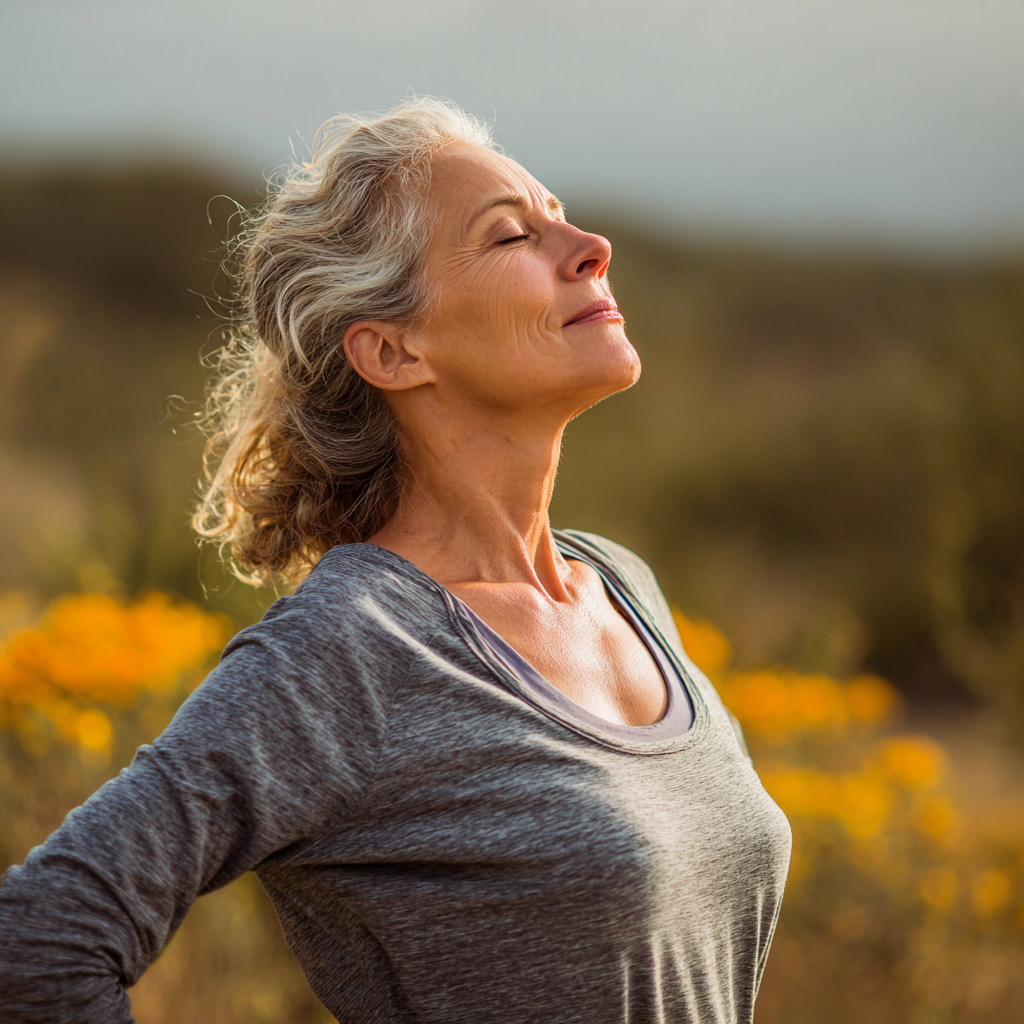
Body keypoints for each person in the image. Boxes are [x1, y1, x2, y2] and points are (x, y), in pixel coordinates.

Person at [0, 97, 791, 1024]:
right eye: (510, 237)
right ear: (392, 349)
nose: (591, 246)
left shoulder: (623, 585)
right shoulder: (351, 650)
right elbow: (35, 949)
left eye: (561, 215)